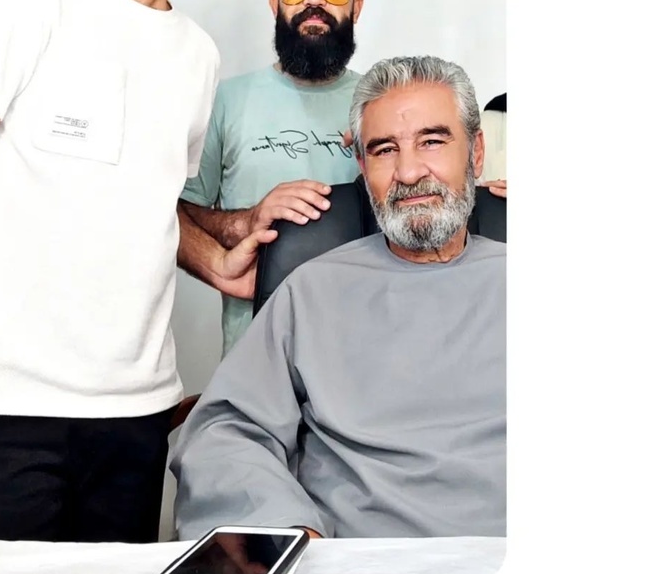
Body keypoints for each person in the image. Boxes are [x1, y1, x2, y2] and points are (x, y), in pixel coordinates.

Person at [0, 0, 277, 543]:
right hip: (5, 411)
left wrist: (217, 257)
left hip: (136, 417)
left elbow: (144, 198)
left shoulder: (198, 56)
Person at [170, 55, 505, 539]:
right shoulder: (311, 291)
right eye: (384, 149)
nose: (409, 171)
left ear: (475, 153)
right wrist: (284, 529)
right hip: (349, 559)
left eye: (432, 141)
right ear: (362, 166)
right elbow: (224, 431)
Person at [177, 0, 365, 356]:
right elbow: (177, 213)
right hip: (253, 357)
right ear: (275, 1)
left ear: (356, 6)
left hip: (363, 351)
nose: (314, 0)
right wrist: (246, 222)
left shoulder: (382, 104)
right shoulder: (224, 101)